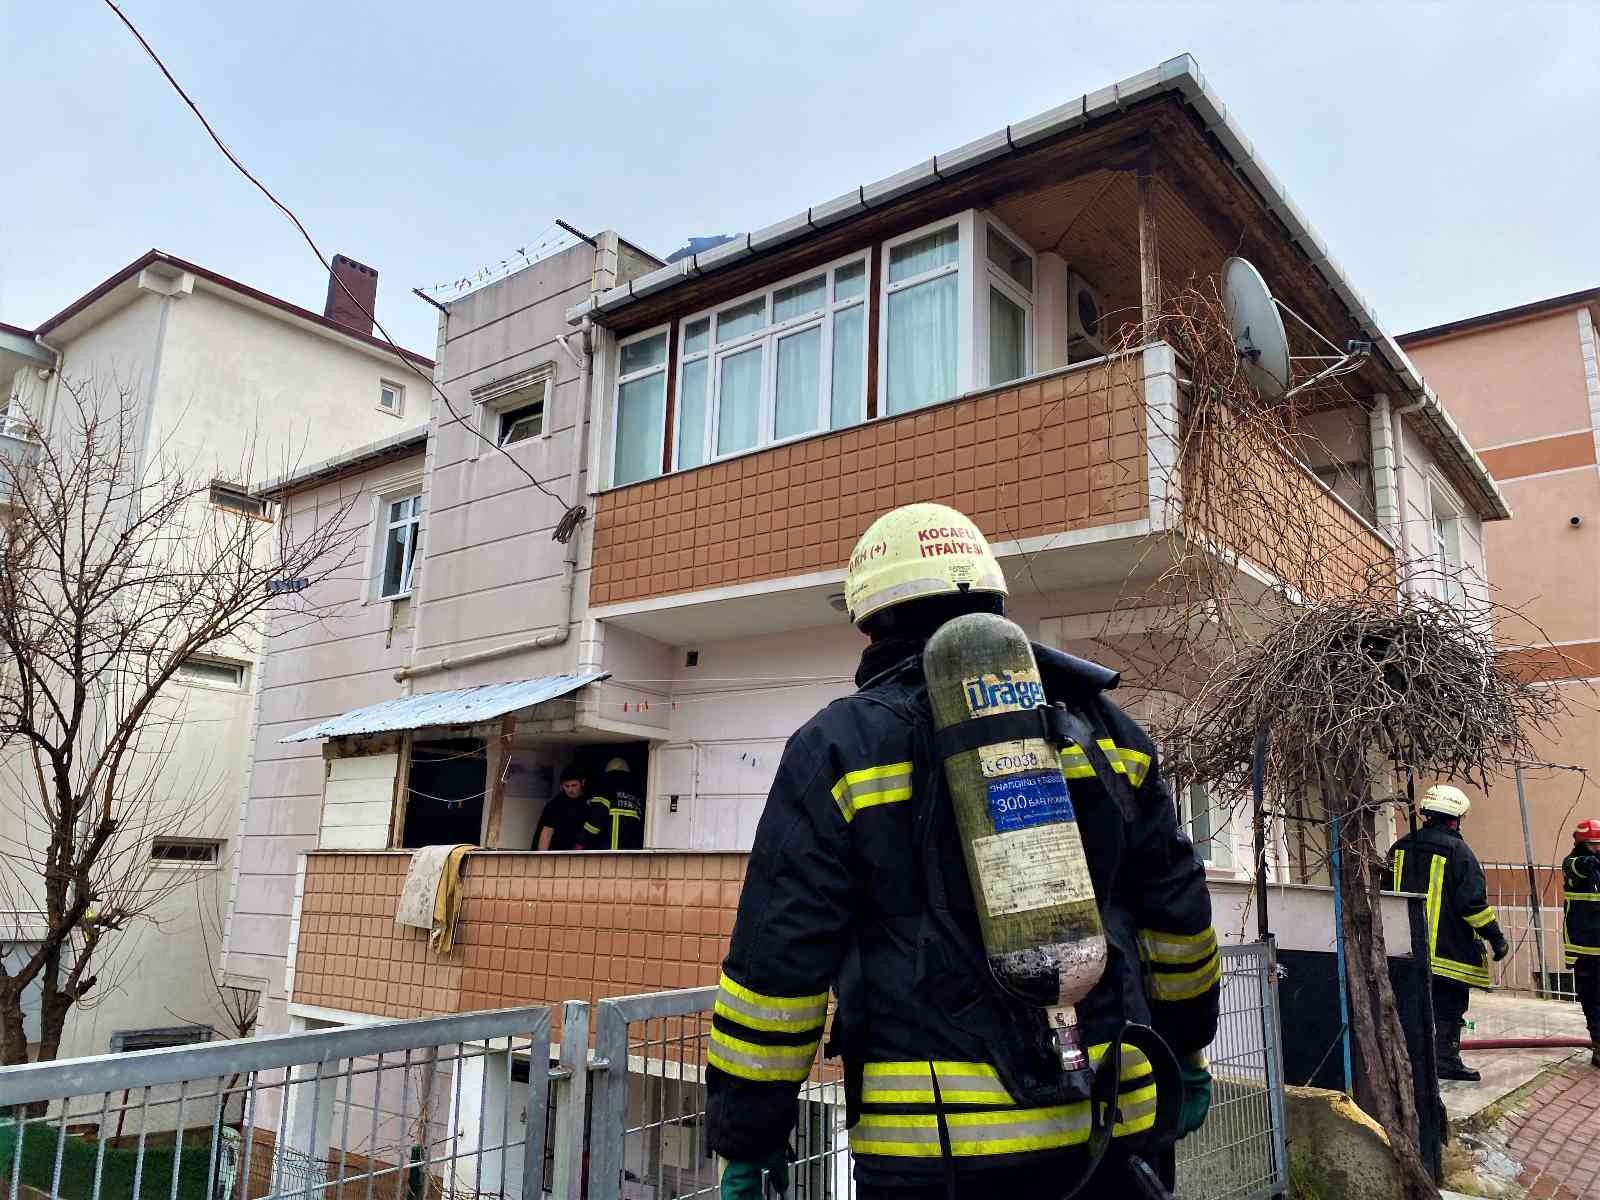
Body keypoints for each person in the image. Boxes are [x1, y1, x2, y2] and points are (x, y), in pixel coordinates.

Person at [707, 502, 1220, 1200]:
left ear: (870, 620)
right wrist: (1188, 1048)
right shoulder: (1105, 728)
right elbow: (1178, 914)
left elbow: (778, 966)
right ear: (995, 599)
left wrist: (749, 1135)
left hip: (936, 1149)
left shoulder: (837, 748)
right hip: (1115, 1120)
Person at [1387, 785, 1510, 1083]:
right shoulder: (1460, 853)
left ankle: (1410, 1059)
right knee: (1449, 1008)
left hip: (1404, 950)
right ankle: (1445, 1060)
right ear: (1456, 819)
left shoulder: (1400, 847)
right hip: (1447, 954)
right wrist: (1496, 937)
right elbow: (1473, 906)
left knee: (1412, 1006)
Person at [1562, 819, 1600, 1067]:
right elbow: (1580, 866)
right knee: (1593, 1000)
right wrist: (1592, 858)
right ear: (1583, 844)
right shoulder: (1574, 862)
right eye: (1595, 845)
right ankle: (1598, 1045)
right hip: (1585, 949)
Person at [577, 757, 645, 851]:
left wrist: (581, 842)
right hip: (632, 853)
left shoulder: (605, 787)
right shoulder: (637, 793)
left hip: (609, 851)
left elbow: (595, 822)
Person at [532, 768, 587, 851]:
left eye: (574, 785)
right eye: (567, 786)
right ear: (562, 786)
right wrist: (542, 858)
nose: (570, 790)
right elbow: (546, 834)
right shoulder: (555, 805)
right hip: (556, 854)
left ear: (582, 782)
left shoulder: (589, 802)